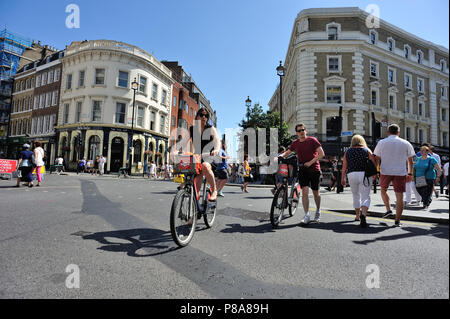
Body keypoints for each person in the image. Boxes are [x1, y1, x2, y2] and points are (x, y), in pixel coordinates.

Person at [278, 123, 325, 225]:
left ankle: (318, 210)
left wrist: (310, 162)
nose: (301, 132)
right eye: (299, 131)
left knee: (316, 193)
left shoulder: (312, 140)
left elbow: (321, 154)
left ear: (306, 131)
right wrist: (279, 156)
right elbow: (288, 152)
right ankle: (307, 214)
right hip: (303, 169)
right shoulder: (295, 143)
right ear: (296, 133)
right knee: (304, 192)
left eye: (302, 130)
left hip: (314, 169)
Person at [171, 107, 221, 201]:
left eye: (206, 115)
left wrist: (216, 149)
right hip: (198, 156)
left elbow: (217, 140)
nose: (204, 117)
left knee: (205, 166)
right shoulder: (192, 129)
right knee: (196, 178)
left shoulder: (210, 128)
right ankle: (194, 206)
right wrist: (177, 150)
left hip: (211, 155)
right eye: (201, 115)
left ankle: (214, 190)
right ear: (197, 116)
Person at [374, 124, 416, 227]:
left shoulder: (381, 142)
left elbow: (377, 159)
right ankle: (397, 221)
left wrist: (375, 171)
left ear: (388, 132)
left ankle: (388, 209)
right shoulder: (406, 143)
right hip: (400, 172)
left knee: (383, 190)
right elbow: (410, 161)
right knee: (400, 196)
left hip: (385, 171)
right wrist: (410, 173)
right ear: (398, 132)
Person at [340, 135, 377, 227]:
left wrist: (342, 178)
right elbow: (373, 163)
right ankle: (363, 214)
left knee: (355, 195)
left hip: (351, 174)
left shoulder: (347, 151)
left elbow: (344, 166)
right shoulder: (366, 150)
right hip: (364, 174)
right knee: (365, 195)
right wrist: (375, 174)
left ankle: (357, 216)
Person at [414, 145, 441, 209]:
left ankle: (425, 204)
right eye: (421, 150)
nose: (421, 151)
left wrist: (438, 176)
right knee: (419, 190)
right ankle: (427, 199)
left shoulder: (431, 159)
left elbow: (438, 168)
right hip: (419, 177)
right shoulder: (418, 159)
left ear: (427, 151)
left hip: (429, 177)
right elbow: (414, 167)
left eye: (423, 150)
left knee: (427, 191)